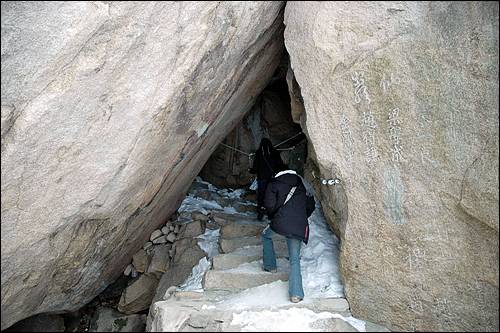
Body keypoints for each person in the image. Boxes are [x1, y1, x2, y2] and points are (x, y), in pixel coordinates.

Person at [262, 166, 315, 303]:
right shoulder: (303, 184)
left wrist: (275, 216)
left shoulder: (274, 183)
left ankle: (270, 266)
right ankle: (296, 294)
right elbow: (311, 206)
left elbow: (269, 204)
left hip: (280, 222)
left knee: (266, 236)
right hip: (299, 225)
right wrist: (301, 217)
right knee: (294, 259)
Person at [249, 138, 285, 220]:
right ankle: (271, 213)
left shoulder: (259, 153)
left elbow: (255, 167)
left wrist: (251, 171)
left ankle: (260, 213)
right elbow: (280, 165)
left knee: (261, 195)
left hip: (262, 178)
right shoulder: (274, 152)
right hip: (272, 178)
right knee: (272, 195)